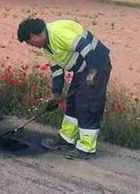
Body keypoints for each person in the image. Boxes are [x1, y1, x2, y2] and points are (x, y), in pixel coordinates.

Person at [17, 18, 111, 159]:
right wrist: (56, 94)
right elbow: (57, 71)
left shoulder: (58, 33)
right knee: (72, 102)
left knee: (87, 103)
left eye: (29, 42)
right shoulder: (47, 46)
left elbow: (84, 45)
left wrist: (93, 71)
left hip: (96, 63)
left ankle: (86, 148)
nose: (31, 45)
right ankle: (67, 139)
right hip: (82, 70)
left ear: (34, 36)